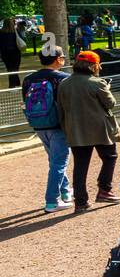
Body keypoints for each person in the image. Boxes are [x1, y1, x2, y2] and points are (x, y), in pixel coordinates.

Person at [57, 51, 120, 210]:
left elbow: (61, 108)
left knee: (80, 165)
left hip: (76, 130)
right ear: (94, 66)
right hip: (100, 129)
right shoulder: (97, 83)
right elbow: (111, 104)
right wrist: (107, 88)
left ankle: (80, 202)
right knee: (110, 157)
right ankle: (104, 190)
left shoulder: (64, 83)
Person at [23, 44, 71, 212]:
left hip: (38, 124)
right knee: (59, 163)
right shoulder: (64, 78)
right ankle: (52, 201)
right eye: (62, 57)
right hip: (58, 125)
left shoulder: (28, 79)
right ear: (58, 59)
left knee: (55, 160)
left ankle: (65, 192)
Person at [1, 17, 21, 88]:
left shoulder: (1, 33)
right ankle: (13, 84)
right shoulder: (15, 32)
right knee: (15, 68)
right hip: (16, 53)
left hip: (5, 53)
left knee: (10, 69)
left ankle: (15, 83)